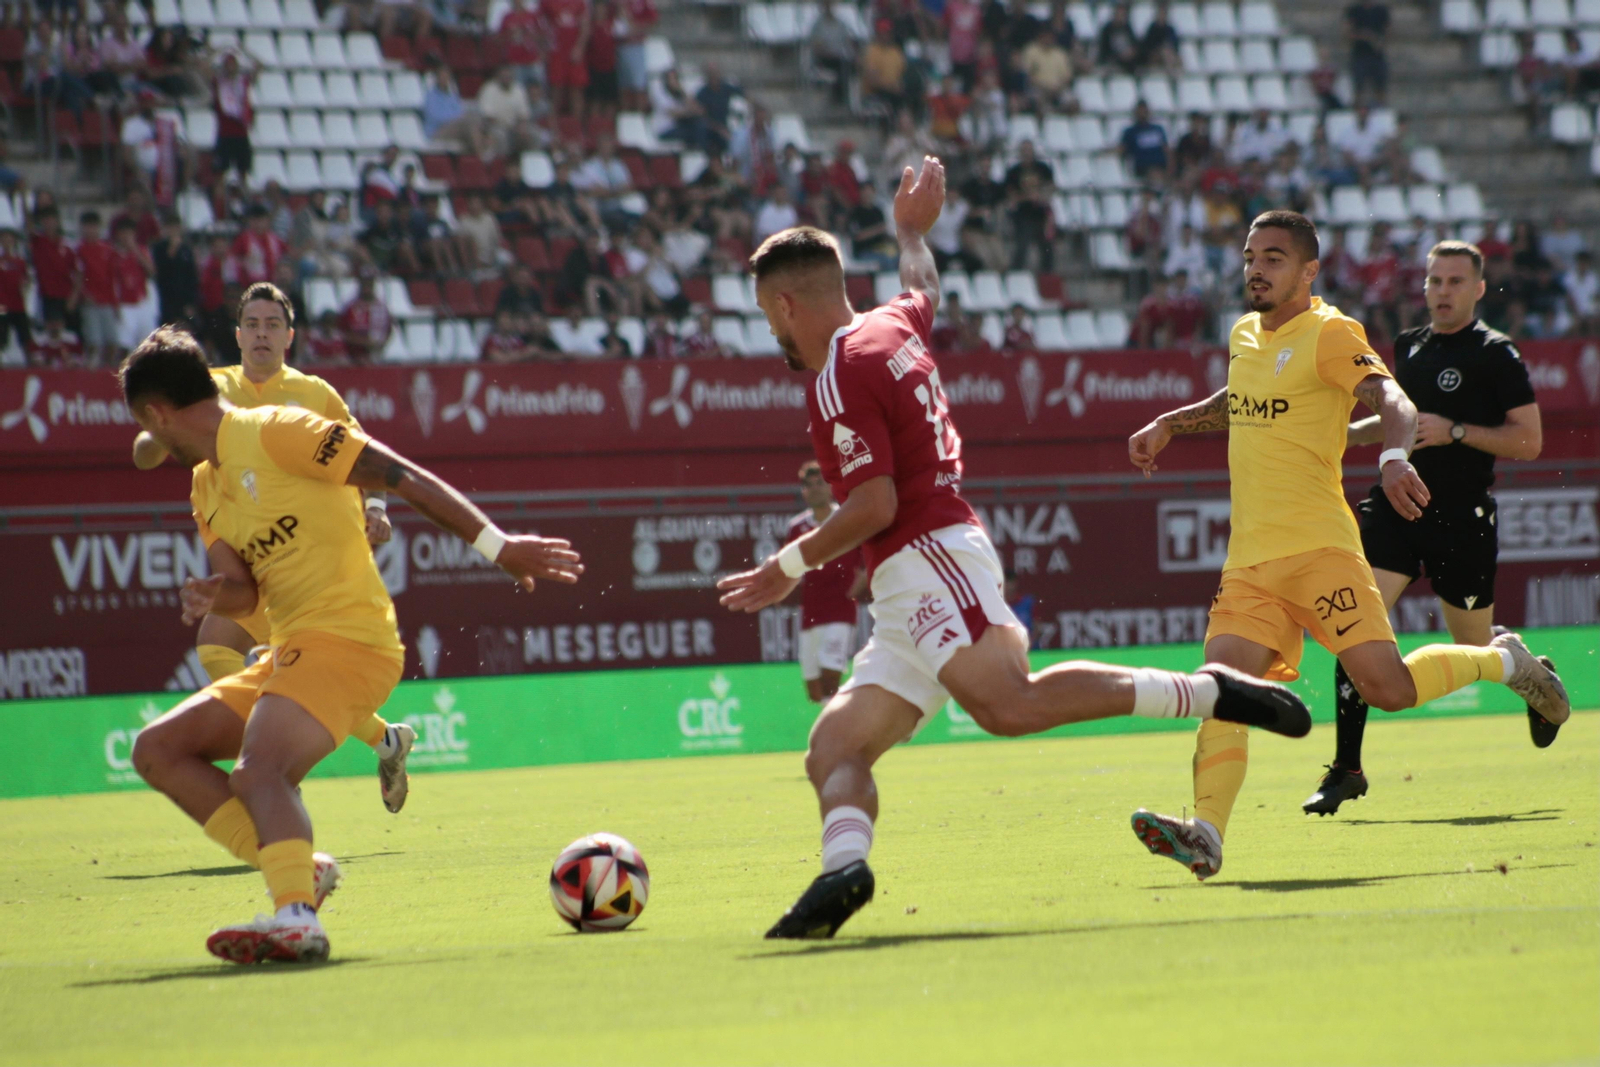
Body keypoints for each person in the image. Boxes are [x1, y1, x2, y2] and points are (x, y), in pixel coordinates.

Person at [718, 161, 1314, 940]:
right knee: (832, 745)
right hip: (915, 577)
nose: (773, 333)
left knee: (1008, 702)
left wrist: (785, 567)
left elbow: (874, 503)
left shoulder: (839, 372)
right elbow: (923, 283)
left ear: (787, 301)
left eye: (769, 316)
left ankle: (1213, 693)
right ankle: (842, 873)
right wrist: (908, 232)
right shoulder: (892, 323)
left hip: (928, 553)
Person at [1124, 211, 1570, 880]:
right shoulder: (1245, 334)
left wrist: (1394, 454)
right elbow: (1242, 395)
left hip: (1321, 551)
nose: (1256, 267)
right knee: (1221, 687)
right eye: (1251, 255)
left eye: (1274, 257)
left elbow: (1390, 397)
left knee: (1386, 688)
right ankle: (1206, 833)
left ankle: (1503, 662)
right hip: (1249, 561)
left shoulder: (1330, 331)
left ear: (1308, 270)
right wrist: (1171, 422)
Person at [118, 325, 582, 964]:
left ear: (156, 413)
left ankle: (297, 919)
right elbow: (245, 592)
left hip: (351, 639)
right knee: (159, 750)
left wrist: (500, 548)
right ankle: (296, 874)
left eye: (146, 426)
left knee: (260, 773)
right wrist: (213, 597)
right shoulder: (206, 484)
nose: (151, 440)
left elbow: (402, 476)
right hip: (292, 649)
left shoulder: (278, 428)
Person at [130, 281, 419, 812]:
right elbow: (143, 452)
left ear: (290, 336)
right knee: (224, 649)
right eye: (253, 325)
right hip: (254, 553)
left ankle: (275, 769)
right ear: (238, 335)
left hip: (312, 557)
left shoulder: (315, 394)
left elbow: (367, 457)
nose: (262, 334)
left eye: (272, 325)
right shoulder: (210, 386)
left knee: (256, 654)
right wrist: (157, 431)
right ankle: (376, 742)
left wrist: (376, 510)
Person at [1304, 241, 1554, 815]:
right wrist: (1337, 437)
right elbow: (1400, 423)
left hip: (1461, 518)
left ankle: (1533, 674)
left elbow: (1530, 441)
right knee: (1355, 623)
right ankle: (1346, 769)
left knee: (1474, 646)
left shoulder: (1497, 354)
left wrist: (1458, 432)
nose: (1442, 291)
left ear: (1478, 289)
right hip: (1397, 507)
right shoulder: (1409, 346)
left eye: (1454, 282)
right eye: (1434, 281)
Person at [788, 461, 867, 704]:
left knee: (830, 675)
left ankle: (842, 731)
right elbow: (791, 569)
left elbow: (867, 562)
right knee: (815, 691)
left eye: (820, 483)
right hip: (811, 613)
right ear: (803, 491)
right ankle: (841, 726)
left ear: (830, 486)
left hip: (840, 612)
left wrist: (856, 587)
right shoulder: (797, 528)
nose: (815, 489)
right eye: (808, 485)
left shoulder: (847, 519)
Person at [77, 211, 119, 365]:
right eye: (88, 227)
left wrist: (115, 304)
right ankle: (91, 374)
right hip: (90, 302)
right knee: (93, 342)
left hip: (106, 301)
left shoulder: (107, 250)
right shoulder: (79, 250)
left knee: (112, 342)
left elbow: (111, 278)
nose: (91, 230)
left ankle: (106, 372)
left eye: (94, 227)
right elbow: (76, 276)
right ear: (82, 228)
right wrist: (83, 295)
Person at [340, 270, 393, 362]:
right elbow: (342, 332)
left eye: (370, 282)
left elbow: (389, 329)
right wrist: (364, 342)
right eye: (365, 282)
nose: (367, 286)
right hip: (354, 357)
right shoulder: (351, 308)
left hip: (378, 354)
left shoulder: (382, 307)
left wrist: (382, 343)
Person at [0, 228, 32, 357]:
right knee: (2, 335)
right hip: (2, 305)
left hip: (18, 304)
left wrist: (25, 286)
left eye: (10, 238)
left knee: (25, 337)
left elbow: (27, 280)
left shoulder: (20, 261)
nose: (7, 241)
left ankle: (31, 363)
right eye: (4, 238)